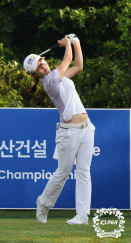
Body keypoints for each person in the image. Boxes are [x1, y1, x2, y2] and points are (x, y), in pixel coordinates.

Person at [23, 34, 95, 225]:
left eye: (42, 61)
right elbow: (68, 59)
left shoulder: (59, 76)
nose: (43, 65)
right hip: (68, 132)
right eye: (38, 66)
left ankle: (82, 215)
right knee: (63, 172)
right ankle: (44, 204)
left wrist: (76, 42)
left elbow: (78, 66)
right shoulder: (50, 81)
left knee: (84, 172)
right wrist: (67, 43)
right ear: (35, 74)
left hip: (87, 128)